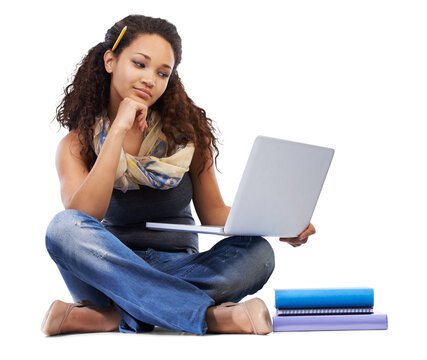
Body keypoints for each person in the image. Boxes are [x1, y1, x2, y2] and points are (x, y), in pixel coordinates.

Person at [42, 14, 316, 336]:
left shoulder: (188, 138)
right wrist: (117, 131)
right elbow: (85, 216)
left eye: (162, 73)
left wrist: (281, 221)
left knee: (259, 253)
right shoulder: (76, 145)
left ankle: (114, 316)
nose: (150, 80)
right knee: (62, 228)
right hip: (111, 268)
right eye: (140, 64)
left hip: (182, 266)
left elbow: (215, 213)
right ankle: (211, 318)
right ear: (110, 60)